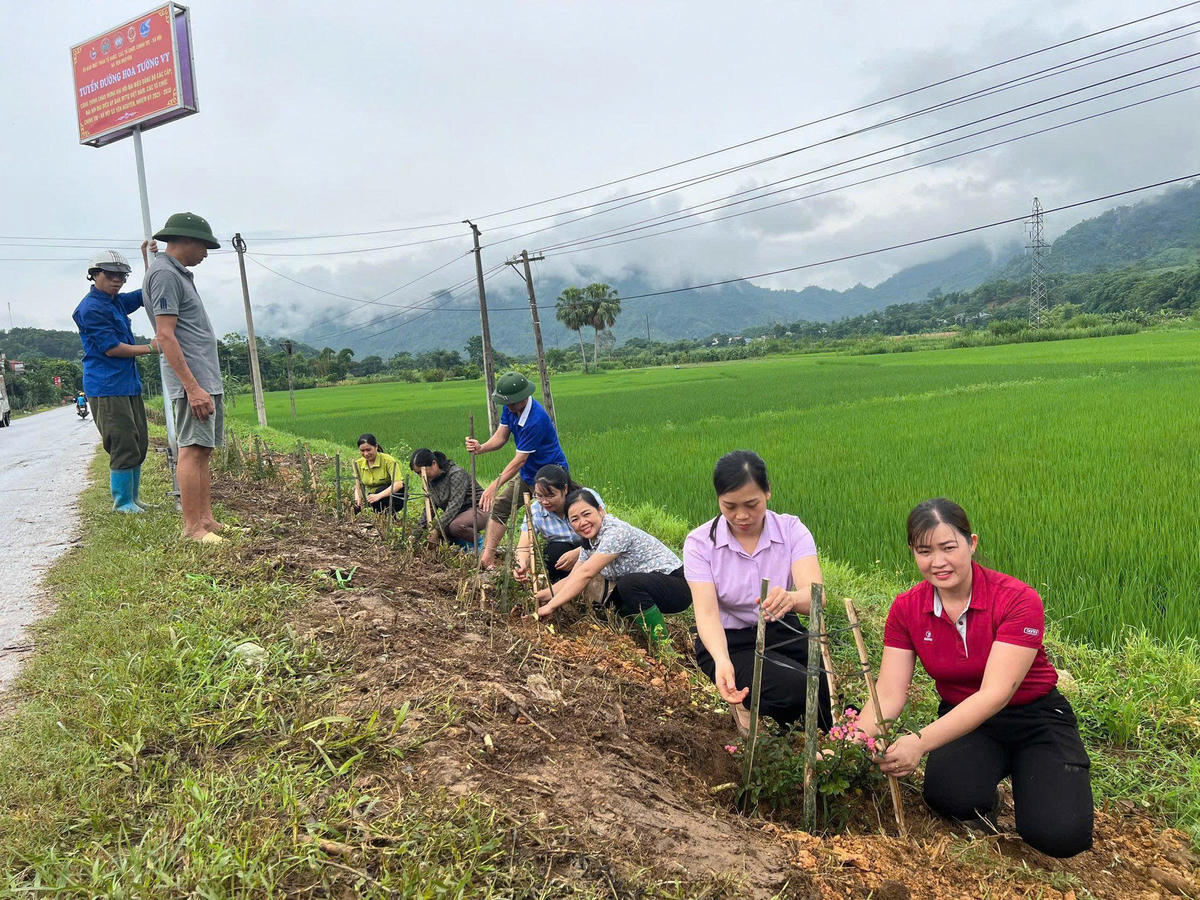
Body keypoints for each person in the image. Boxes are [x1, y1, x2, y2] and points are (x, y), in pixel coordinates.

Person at [864, 498, 1093, 859]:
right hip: (966, 720)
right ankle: (993, 792)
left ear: (972, 543)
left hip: (1035, 716)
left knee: (1060, 835)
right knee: (949, 796)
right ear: (912, 552)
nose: (937, 562)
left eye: (948, 547)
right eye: (924, 551)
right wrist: (846, 741)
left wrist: (920, 742)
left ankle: (1035, 773)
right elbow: (889, 693)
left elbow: (996, 694)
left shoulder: (1017, 599)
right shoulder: (907, 609)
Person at [683, 450, 832, 737]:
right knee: (798, 688)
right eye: (729, 506)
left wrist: (790, 598)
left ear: (767, 493)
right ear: (718, 501)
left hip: (782, 629)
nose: (741, 516)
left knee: (827, 685)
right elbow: (707, 613)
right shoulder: (700, 544)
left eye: (752, 504)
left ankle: (832, 750)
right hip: (729, 642)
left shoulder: (791, 530)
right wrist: (722, 660)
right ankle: (768, 721)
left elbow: (816, 596)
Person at [143, 212, 225, 543]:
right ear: (186, 240)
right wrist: (192, 388)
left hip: (204, 376)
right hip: (193, 381)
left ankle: (206, 520)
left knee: (204, 449)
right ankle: (193, 528)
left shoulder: (171, 273)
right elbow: (165, 335)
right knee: (192, 449)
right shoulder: (165, 275)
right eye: (204, 246)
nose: (205, 253)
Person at [534, 489, 691, 647]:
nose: (582, 522)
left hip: (677, 587)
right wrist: (541, 596)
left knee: (628, 584)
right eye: (574, 519)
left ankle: (663, 649)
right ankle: (637, 634)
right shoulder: (589, 542)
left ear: (601, 511)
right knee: (612, 596)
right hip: (649, 585)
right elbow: (574, 577)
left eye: (587, 514)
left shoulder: (616, 532)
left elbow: (586, 574)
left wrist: (551, 606)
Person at [72, 243, 158, 512]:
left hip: (128, 384)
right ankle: (122, 503)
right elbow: (112, 348)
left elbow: (147, 293)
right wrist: (152, 348)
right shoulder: (90, 309)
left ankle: (133, 497)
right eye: (111, 275)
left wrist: (149, 258)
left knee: (138, 441)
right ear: (94, 274)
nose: (117, 280)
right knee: (122, 441)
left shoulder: (116, 301)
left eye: (122, 276)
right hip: (107, 387)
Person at [465, 371, 569, 569]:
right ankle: (487, 557)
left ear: (524, 398)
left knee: (559, 512)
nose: (509, 407)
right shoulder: (511, 409)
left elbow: (519, 460)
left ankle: (565, 558)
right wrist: (482, 448)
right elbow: (502, 436)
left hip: (550, 475)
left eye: (512, 403)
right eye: (507, 404)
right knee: (502, 505)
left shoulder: (535, 420)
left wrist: (494, 485)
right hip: (529, 474)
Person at [513, 464, 603, 585]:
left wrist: (579, 553)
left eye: (551, 496)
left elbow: (606, 532)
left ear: (565, 489)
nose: (544, 501)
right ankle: (562, 589)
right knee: (554, 551)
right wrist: (521, 564)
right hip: (563, 557)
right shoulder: (535, 510)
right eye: (539, 496)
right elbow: (523, 546)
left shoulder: (585, 498)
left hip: (595, 549)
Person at [409, 448, 486, 546]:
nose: (421, 476)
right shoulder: (429, 482)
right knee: (438, 533)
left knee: (455, 526)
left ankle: (483, 544)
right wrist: (415, 535)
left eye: (421, 471)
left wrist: (437, 530)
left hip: (479, 509)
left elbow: (454, 505)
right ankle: (464, 548)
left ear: (434, 463)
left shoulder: (456, 474)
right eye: (418, 473)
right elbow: (429, 510)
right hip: (458, 515)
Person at [352, 434, 405, 514]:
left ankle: (389, 517)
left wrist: (378, 496)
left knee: (379, 492)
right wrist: (358, 499)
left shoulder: (388, 461)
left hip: (393, 496)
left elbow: (398, 484)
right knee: (357, 508)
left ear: (376, 447)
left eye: (368, 450)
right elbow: (358, 486)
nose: (365, 454)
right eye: (362, 451)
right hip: (373, 496)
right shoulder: (358, 463)